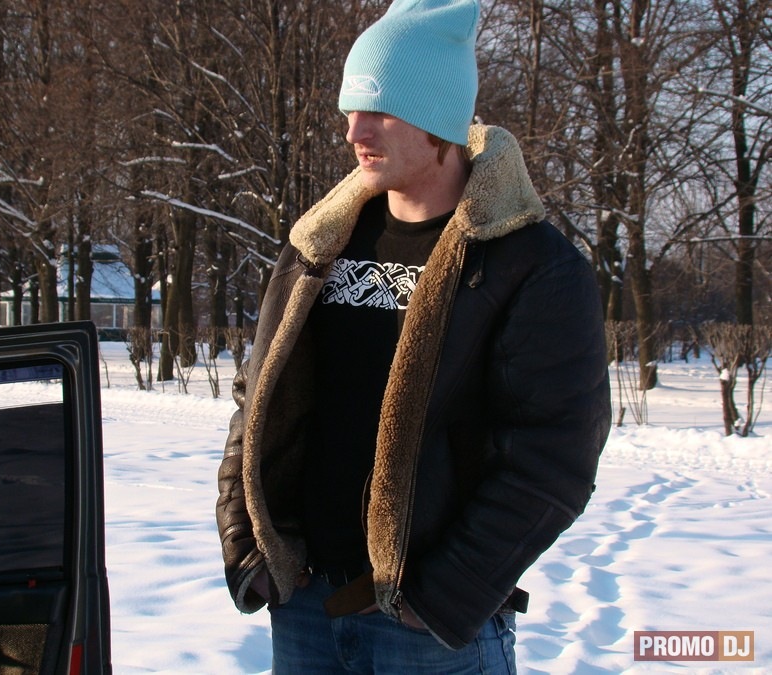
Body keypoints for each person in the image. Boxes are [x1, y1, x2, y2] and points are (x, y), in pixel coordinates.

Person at [215, 0, 611, 672]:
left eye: (380, 110)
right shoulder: (317, 245)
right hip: (305, 606)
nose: (354, 131)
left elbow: (555, 457)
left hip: (427, 630)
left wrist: (442, 594)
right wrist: (248, 547)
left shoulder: (528, 264)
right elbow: (254, 402)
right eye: (350, 110)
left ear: (439, 122)